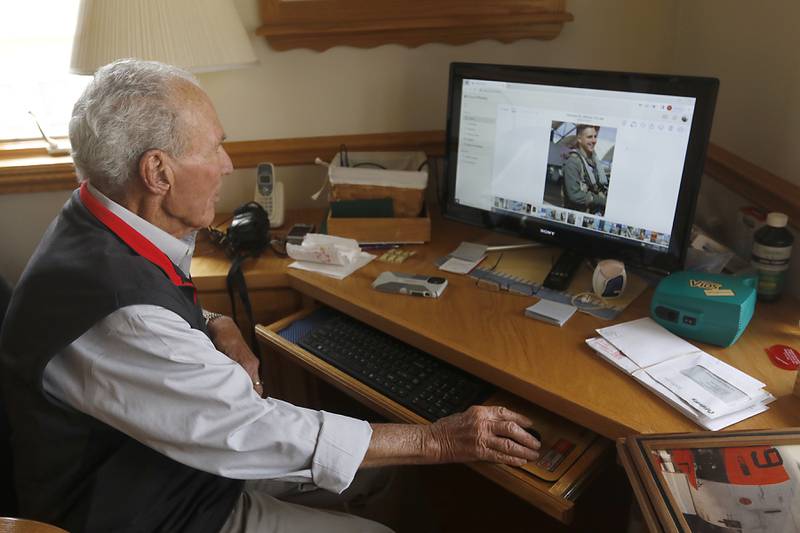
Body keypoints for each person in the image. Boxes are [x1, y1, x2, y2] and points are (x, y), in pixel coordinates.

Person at [0, 59, 540, 533]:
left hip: (162, 464)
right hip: (146, 511)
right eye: (214, 147)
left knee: (384, 479)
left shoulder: (95, 220)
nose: (229, 164)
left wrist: (217, 323)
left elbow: (140, 318)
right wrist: (438, 440)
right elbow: (250, 430)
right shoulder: (122, 309)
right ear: (158, 172)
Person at [562, 124, 610, 215]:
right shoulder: (572, 162)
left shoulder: (593, 160)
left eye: (595, 136)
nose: (594, 140)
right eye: (589, 137)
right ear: (579, 139)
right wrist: (602, 201)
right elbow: (575, 195)